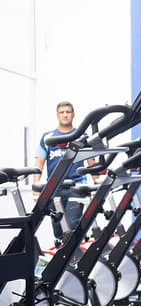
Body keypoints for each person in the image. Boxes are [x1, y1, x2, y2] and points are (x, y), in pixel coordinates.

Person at [34, 101, 84, 239]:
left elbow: (91, 164)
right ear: (57, 115)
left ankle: (72, 258)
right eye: (62, 112)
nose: (65, 115)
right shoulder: (47, 137)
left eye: (68, 112)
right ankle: (61, 258)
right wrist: (36, 190)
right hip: (54, 188)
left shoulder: (82, 136)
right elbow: (39, 163)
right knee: (58, 230)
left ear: (73, 114)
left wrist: (98, 184)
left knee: (72, 226)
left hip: (76, 187)